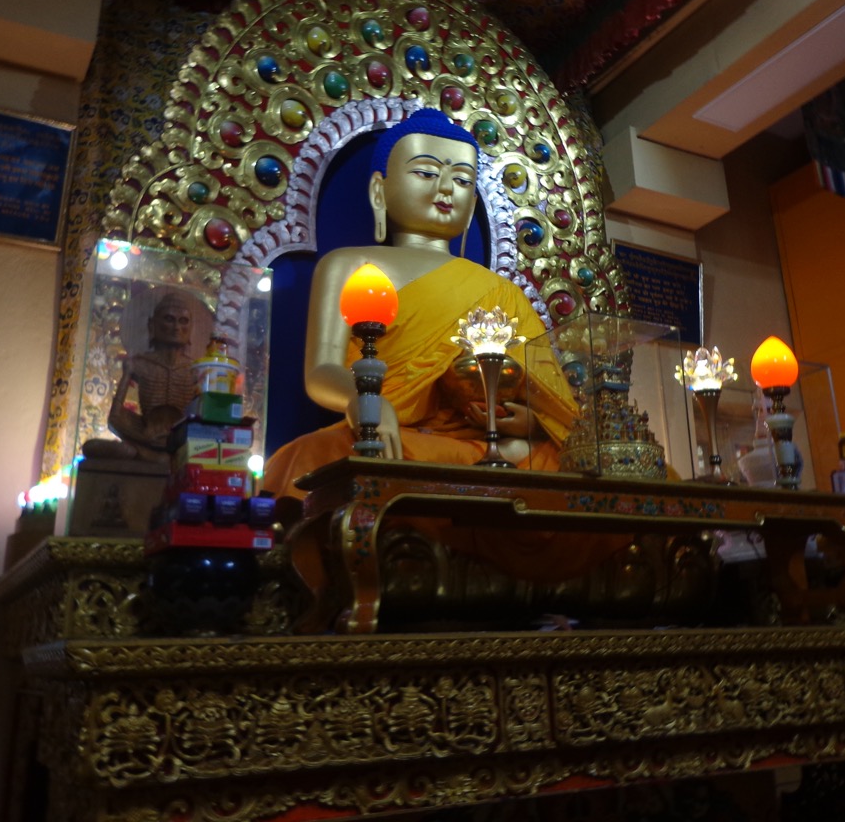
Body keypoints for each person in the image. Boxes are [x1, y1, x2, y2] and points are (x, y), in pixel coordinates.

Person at [263, 110, 625, 583]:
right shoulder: (348, 265)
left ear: (473, 201)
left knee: (583, 476)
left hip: (486, 445)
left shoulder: (499, 290)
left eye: (461, 179)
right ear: (379, 191)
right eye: (426, 172)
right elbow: (321, 372)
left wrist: (528, 418)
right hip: (392, 437)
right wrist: (363, 400)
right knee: (316, 458)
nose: (445, 189)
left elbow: (548, 397)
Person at [83, 292, 199, 463]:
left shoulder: (195, 369)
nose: (176, 328)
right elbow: (115, 418)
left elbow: (203, 420)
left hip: (182, 445)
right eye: (169, 319)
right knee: (93, 447)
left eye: (183, 321)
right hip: (145, 440)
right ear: (152, 325)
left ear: (191, 329)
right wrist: (145, 439)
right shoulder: (138, 364)